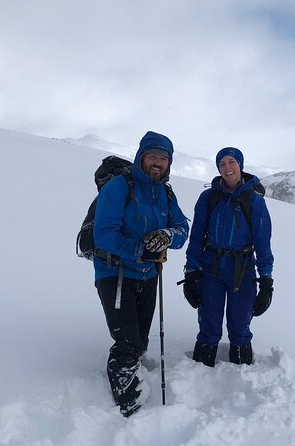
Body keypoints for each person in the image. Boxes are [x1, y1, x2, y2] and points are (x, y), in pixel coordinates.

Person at [93, 130, 189, 416]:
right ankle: (125, 393)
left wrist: (167, 235)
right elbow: (104, 234)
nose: (158, 162)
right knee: (128, 342)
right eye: (153, 156)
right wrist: (139, 249)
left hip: (148, 276)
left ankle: (133, 368)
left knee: (142, 339)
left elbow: (183, 228)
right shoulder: (119, 188)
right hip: (115, 274)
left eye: (164, 158)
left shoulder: (166, 194)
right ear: (141, 157)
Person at [182, 147, 274, 367]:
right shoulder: (208, 198)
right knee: (209, 325)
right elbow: (196, 237)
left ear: (240, 165)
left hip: (242, 269)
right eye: (222, 164)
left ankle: (241, 379)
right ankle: (199, 377)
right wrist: (190, 273)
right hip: (210, 268)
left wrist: (267, 281)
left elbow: (263, 243)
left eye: (231, 162)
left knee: (240, 325)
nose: (227, 168)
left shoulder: (255, 201)